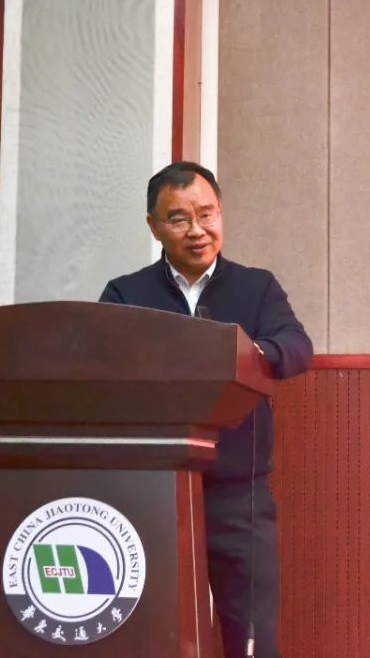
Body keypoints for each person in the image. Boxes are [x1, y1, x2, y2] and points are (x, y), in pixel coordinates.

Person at [99, 160, 312, 658]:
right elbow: (102, 366)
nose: (197, 230)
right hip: (152, 489)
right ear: (154, 226)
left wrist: (249, 355)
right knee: (153, 629)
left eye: (207, 214)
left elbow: (297, 346)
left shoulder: (257, 287)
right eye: (179, 218)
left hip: (239, 492)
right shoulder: (126, 293)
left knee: (251, 633)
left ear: (221, 213)